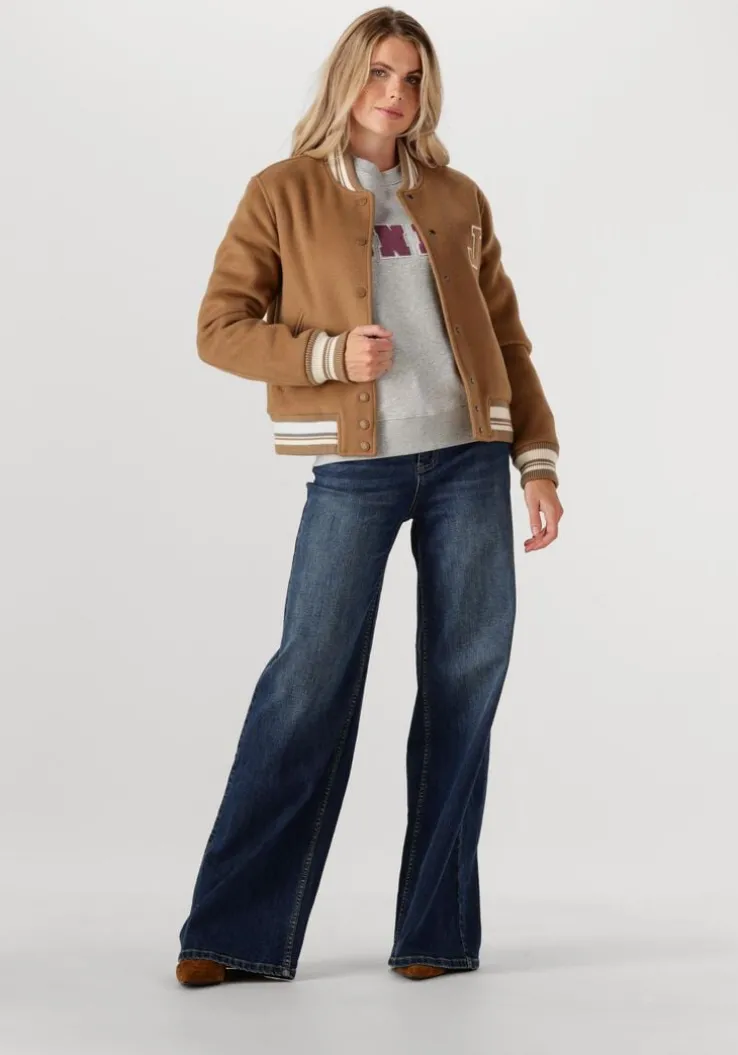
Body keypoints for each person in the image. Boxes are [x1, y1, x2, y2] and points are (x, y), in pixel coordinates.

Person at [176, 5, 564, 987]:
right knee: (307, 681)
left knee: (464, 688)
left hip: (469, 462)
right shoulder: (283, 192)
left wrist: (537, 462)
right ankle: (234, 933)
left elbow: (507, 341)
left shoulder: (457, 197)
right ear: (347, 77)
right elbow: (220, 326)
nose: (396, 94)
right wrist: (325, 354)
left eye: (413, 78)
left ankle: (437, 933)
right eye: (381, 73)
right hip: (356, 467)